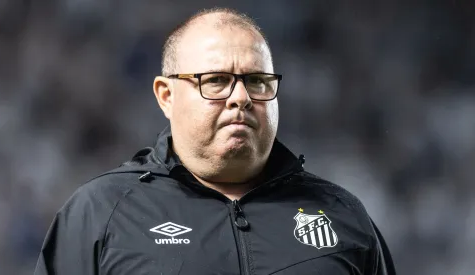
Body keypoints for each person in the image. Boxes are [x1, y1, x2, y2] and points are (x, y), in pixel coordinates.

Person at [34, 7, 396, 275]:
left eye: (257, 81)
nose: (241, 97)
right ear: (166, 95)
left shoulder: (341, 214)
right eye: (217, 80)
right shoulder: (100, 213)